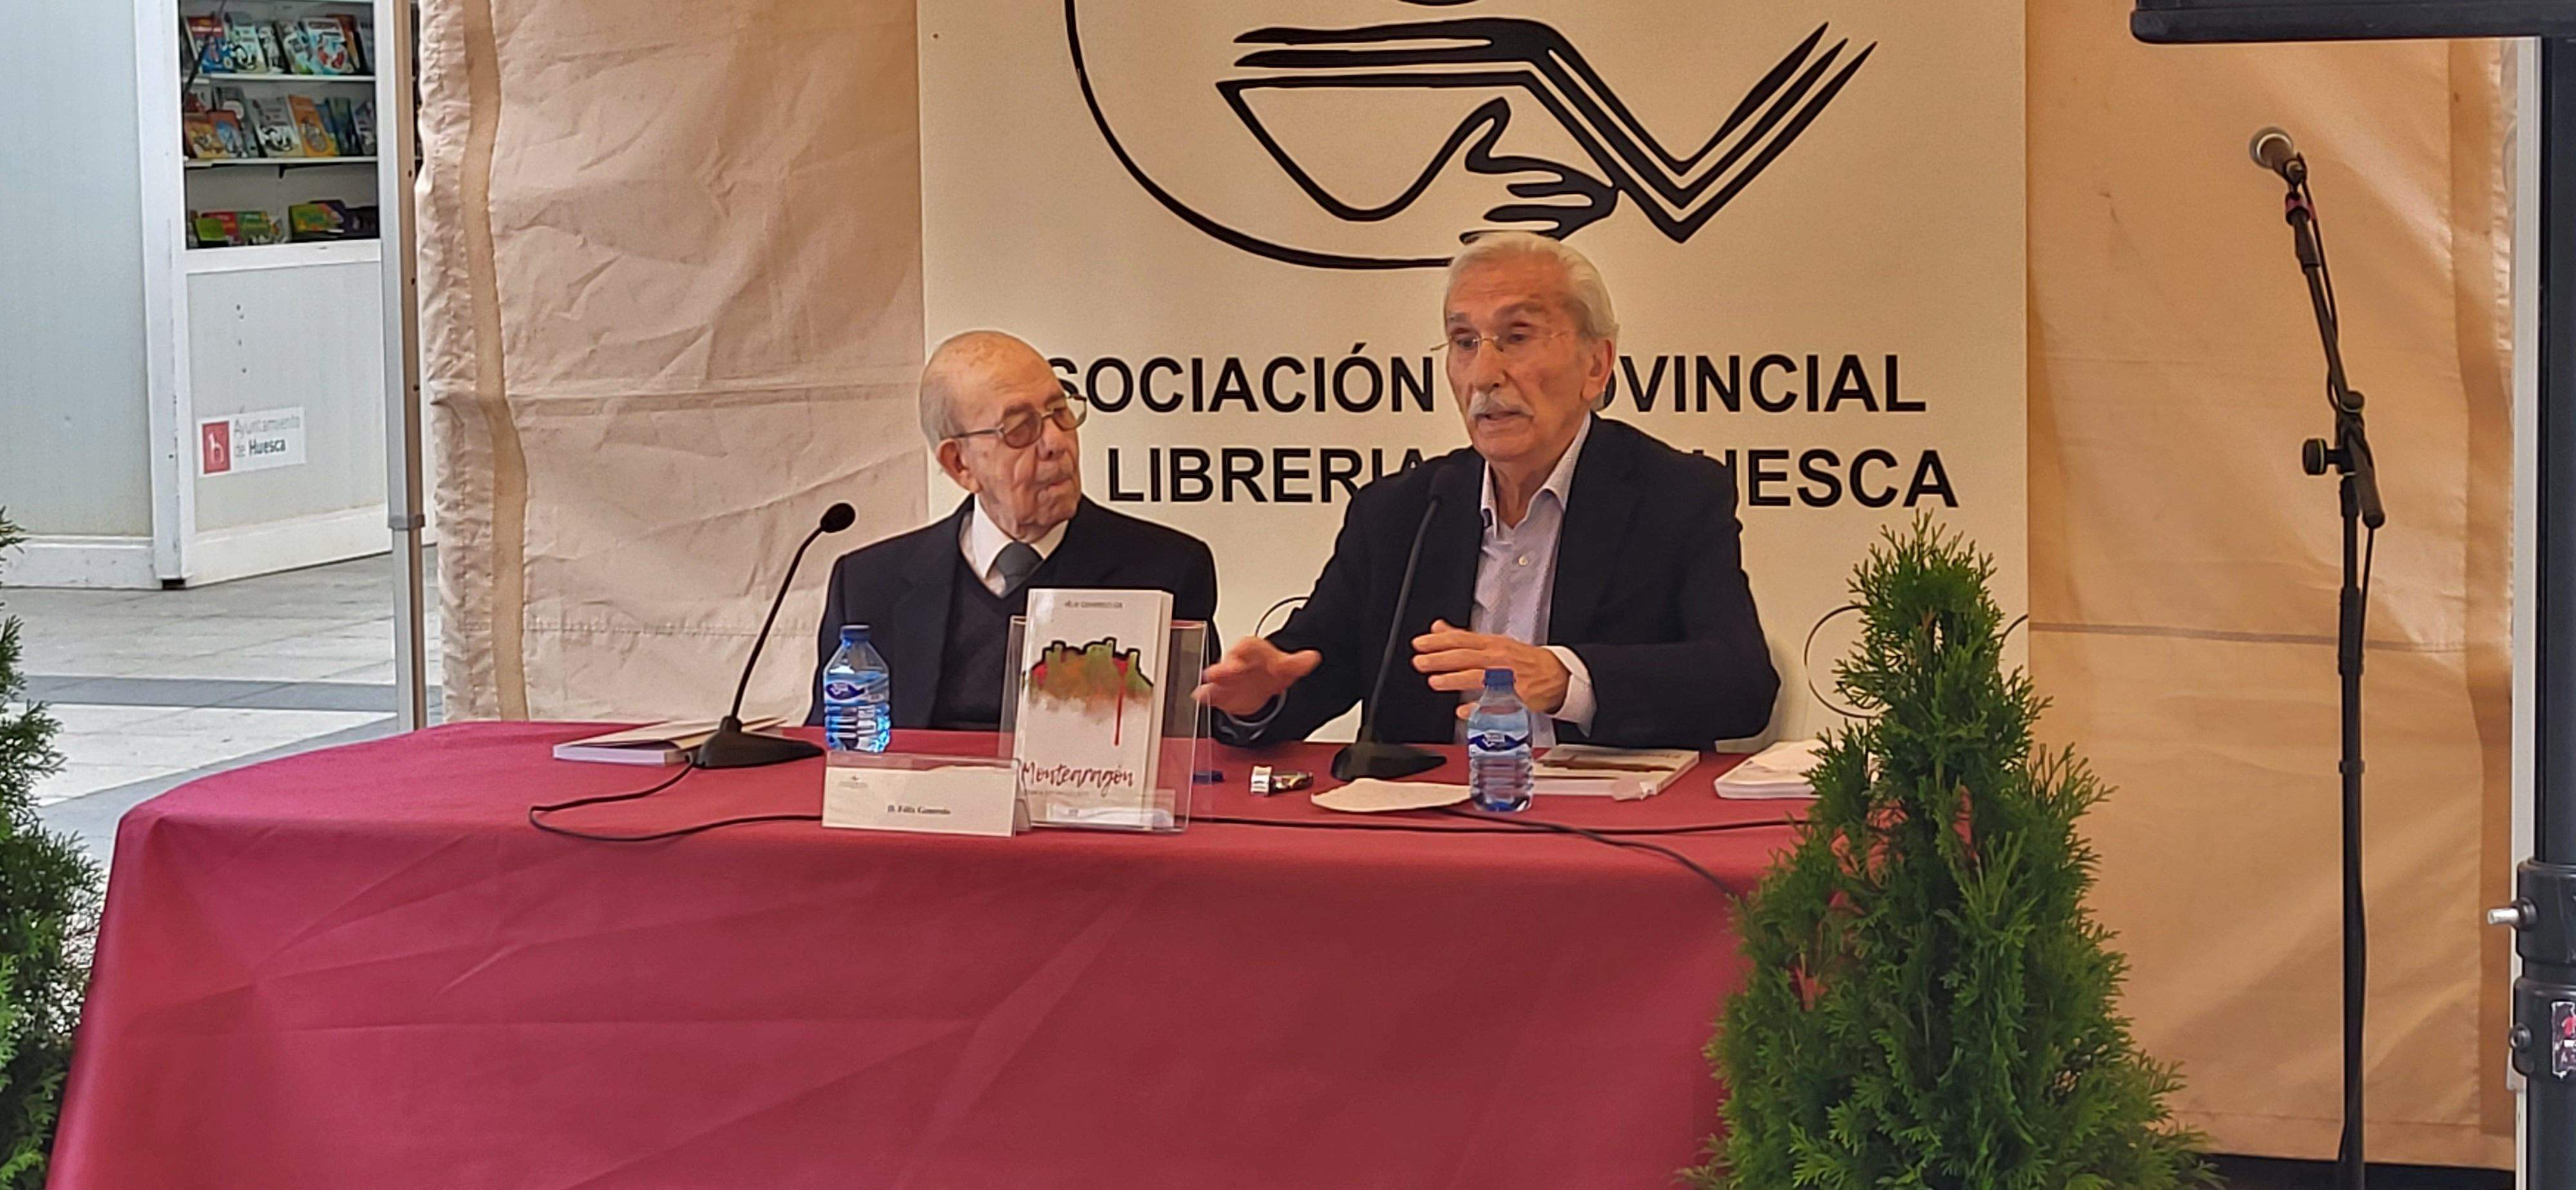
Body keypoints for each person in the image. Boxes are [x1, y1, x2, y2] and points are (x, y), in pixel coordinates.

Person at [1192, 232, 1776, 750]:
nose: (1483, 375)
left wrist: (1565, 680)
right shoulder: (1401, 512)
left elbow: (1740, 683)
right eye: (1464, 342)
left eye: (1516, 336)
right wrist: (1258, 698)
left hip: (1606, 838)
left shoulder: (1674, 496)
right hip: (1426, 837)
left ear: (1596, 366)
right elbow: (1313, 666)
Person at [811, 330, 1218, 730]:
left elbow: (1205, 742)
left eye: (1060, 412)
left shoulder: (1165, 571)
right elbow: (833, 753)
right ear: (960, 464)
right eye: (1021, 428)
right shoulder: (869, 586)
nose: (1057, 442)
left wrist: (1252, 708)